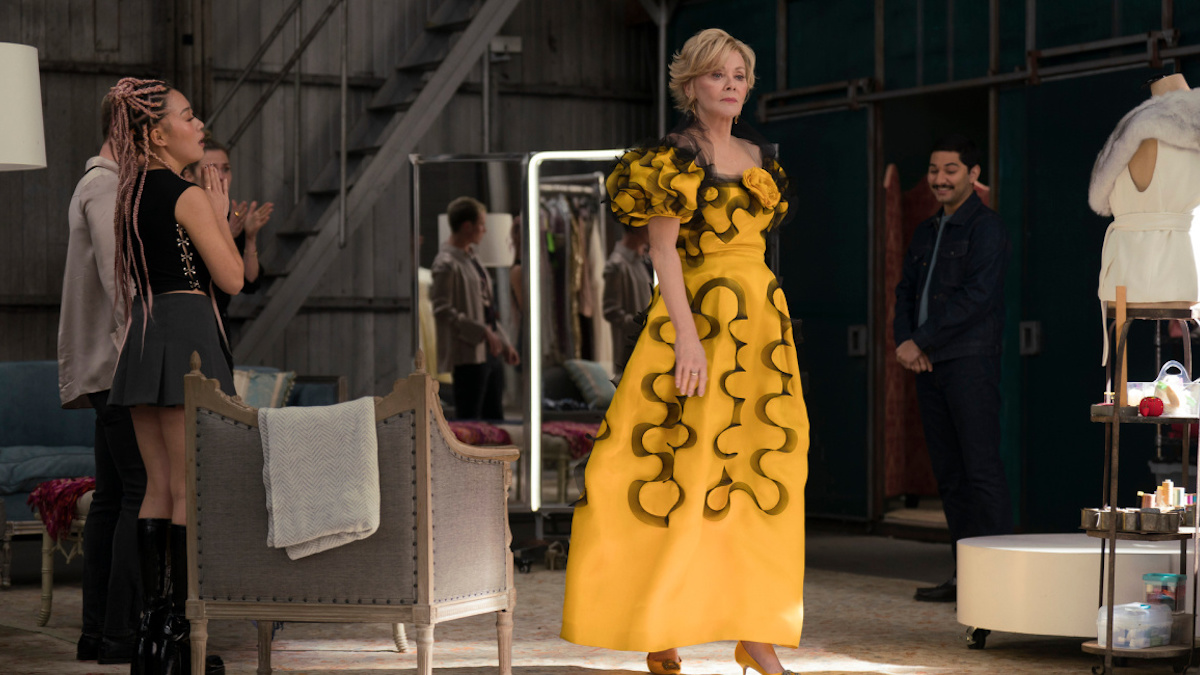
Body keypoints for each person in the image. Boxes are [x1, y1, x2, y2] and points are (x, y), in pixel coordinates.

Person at [561, 28, 809, 675]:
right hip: (696, 325)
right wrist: (689, 342)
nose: (731, 85)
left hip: (760, 334)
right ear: (691, 84)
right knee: (668, 471)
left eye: (739, 75)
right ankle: (657, 621)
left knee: (759, 477)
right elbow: (663, 251)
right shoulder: (674, 158)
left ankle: (756, 631)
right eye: (717, 75)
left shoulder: (759, 155)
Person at [105, 77, 243, 674]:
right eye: (189, 117)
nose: (199, 125)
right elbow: (233, 279)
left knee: (157, 488)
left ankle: (152, 633)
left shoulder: (128, 192)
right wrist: (216, 210)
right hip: (185, 329)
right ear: (157, 133)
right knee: (187, 489)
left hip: (144, 332)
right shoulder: (185, 195)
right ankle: (187, 637)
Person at [893, 134, 1012, 603]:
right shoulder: (925, 231)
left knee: (980, 470)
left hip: (969, 363)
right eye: (934, 169)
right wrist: (904, 341)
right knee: (951, 475)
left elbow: (976, 300)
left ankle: (1002, 582)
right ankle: (967, 578)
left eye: (951, 170)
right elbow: (904, 291)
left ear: (974, 175)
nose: (939, 179)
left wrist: (919, 339)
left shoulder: (987, 229)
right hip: (929, 366)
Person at [58, 93, 146, 665]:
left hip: (107, 366)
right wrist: (144, 353)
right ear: (134, 132)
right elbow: (123, 287)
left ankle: (98, 634)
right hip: (119, 365)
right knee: (139, 493)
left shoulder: (99, 184)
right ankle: (122, 634)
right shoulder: (108, 186)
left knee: (113, 497)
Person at [431, 196, 519, 420]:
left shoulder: (472, 258)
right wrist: (481, 330)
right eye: (481, 224)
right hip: (468, 354)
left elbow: (487, 307)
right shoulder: (446, 263)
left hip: (489, 351)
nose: (485, 230)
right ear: (467, 226)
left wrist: (504, 341)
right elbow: (442, 309)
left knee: (495, 417)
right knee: (471, 420)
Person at [181, 133, 273, 328]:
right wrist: (224, 235)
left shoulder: (232, 218)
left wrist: (249, 237)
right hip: (189, 324)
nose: (221, 177)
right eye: (212, 169)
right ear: (189, 175)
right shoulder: (182, 216)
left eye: (226, 169)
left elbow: (249, 283)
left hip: (219, 327)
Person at [602, 223, 653, 373]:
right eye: (647, 224)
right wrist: (639, 325)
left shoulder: (639, 260)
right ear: (636, 226)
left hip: (644, 347)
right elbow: (611, 311)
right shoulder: (617, 265)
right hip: (630, 352)